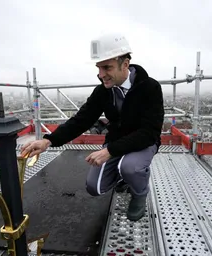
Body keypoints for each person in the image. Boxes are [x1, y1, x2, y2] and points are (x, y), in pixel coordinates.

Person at [21, 32, 164, 221]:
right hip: (117, 142)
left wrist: (110, 151)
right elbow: (82, 119)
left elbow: (149, 132)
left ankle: (139, 192)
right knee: (94, 188)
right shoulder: (103, 91)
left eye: (107, 67)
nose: (101, 74)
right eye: (99, 68)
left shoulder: (150, 88)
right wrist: (49, 140)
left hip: (143, 143)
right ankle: (125, 177)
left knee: (130, 167)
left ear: (125, 64)